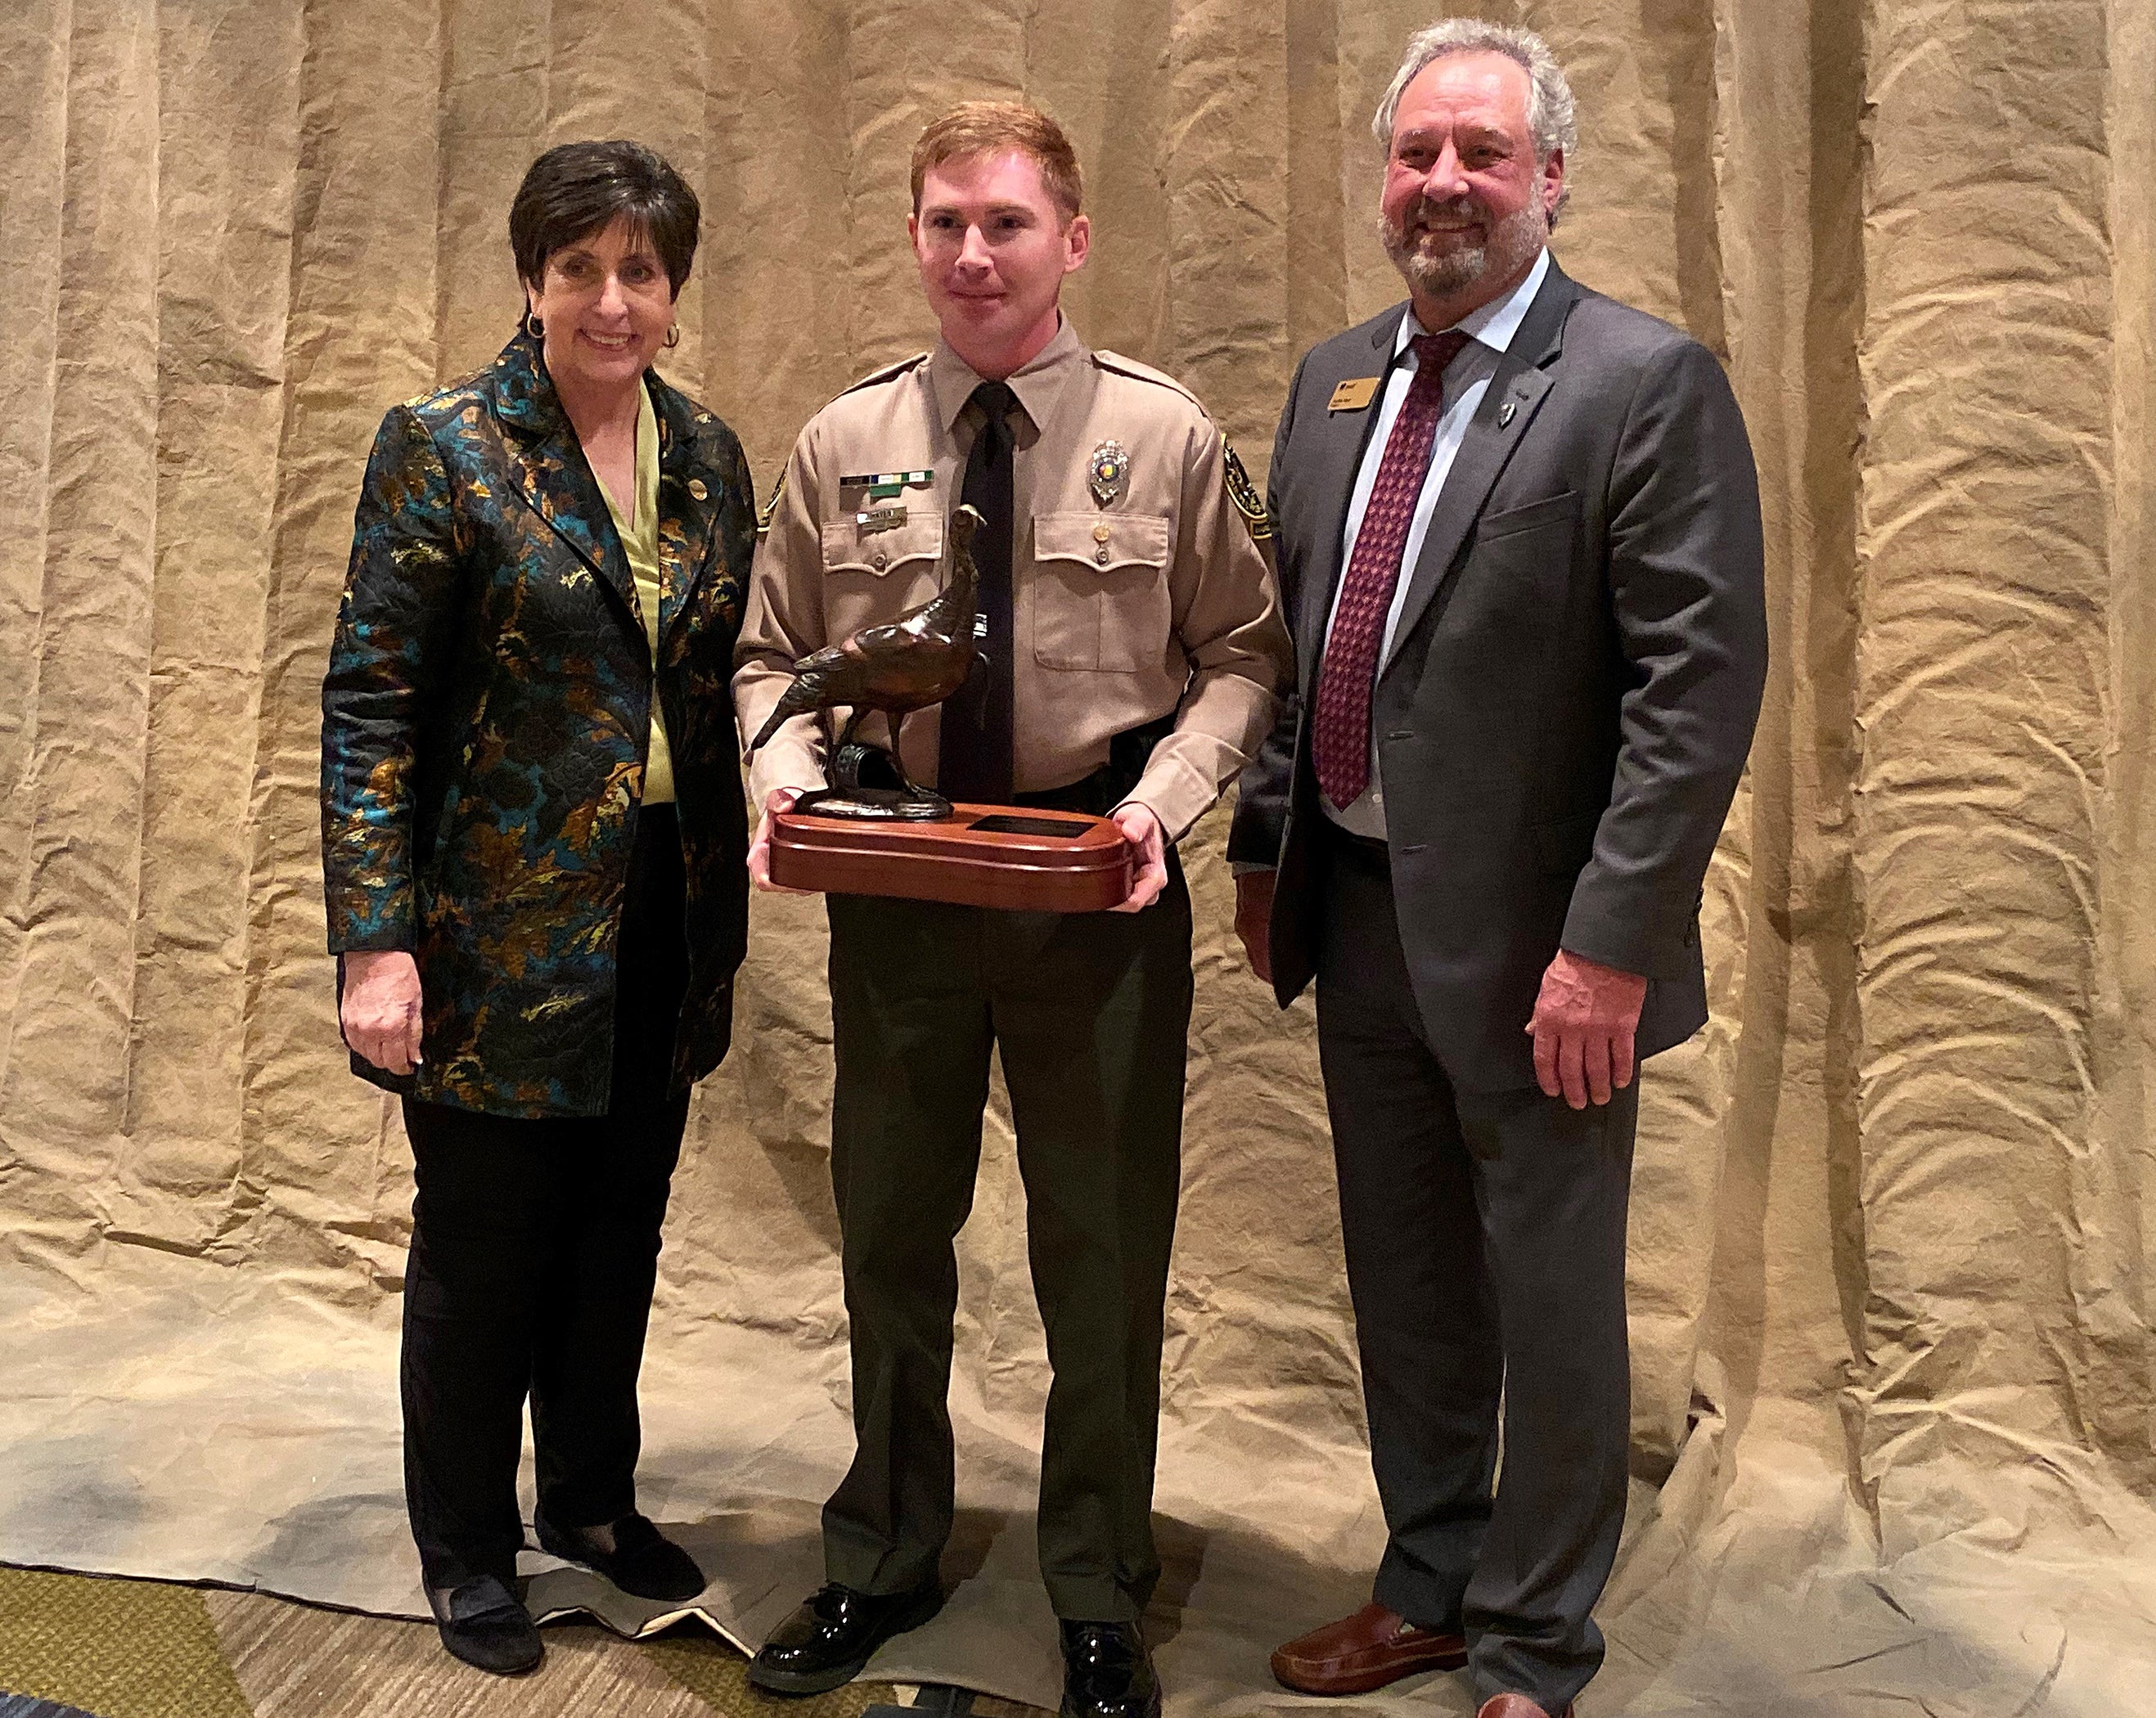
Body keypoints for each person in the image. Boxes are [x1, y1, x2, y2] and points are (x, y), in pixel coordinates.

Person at [1228, 22, 1767, 1718]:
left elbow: (1695, 694)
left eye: (1479, 152)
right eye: (1414, 154)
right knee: (1404, 1282)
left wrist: (1610, 946)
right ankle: (1431, 1581)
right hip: (1361, 917)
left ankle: (1536, 1644)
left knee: (1547, 1297)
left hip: (1547, 955)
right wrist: (1264, 855)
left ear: (1550, 175)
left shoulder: (1640, 379)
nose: (1441, 183)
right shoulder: (1329, 382)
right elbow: (1289, 636)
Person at [732, 101, 1289, 1718]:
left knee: (1100, 1256)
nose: (974, 255)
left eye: (1007, 224)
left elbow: (1244, 653)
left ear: (1071, 241)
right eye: (946, 225)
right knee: (891, 1238)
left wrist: (1156, 813)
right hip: (900, 883)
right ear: (914, 239)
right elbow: (770, 652)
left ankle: (1096, 1587)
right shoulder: (847, 443)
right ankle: (881, 1555)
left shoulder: (1164, 437)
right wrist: (778, 790)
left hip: (1091, 883)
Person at [320, 140, 757, 1677]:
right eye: (582, 269)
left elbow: (722, 688)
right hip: (492, 938)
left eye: (642, 271)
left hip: (663, 919)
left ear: (675, 292)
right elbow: (370, 705)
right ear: (532, 280)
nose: (614, 299)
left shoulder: (710, 456)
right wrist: (375, 942)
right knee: (486, 1245)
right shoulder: (442, 447)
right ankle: (465, 1547)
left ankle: (587, 1500)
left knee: (616, 1237)